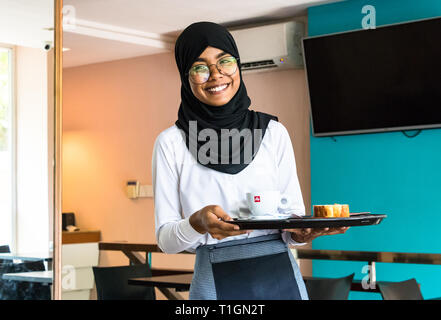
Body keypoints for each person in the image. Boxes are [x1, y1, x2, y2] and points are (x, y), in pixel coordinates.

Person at [152, 21, 348, 300]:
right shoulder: (171, 143)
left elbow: (291, 221)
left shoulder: (272, 132)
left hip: (280, 272)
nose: (216, 75)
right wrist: (196, 223)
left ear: (238, 65)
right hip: (215, 277)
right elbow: (166, 241)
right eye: (200, 67)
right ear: (186, 76)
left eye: (225, 62)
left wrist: (303, 233)